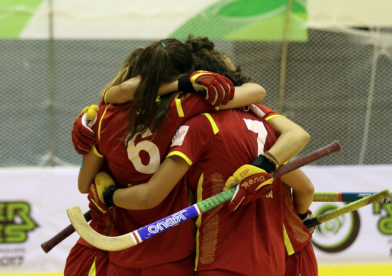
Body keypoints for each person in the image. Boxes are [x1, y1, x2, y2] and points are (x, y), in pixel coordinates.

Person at [80, 36, 313, 276]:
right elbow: (305, 186)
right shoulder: (210, 114)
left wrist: (109, 196)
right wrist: (267, 166)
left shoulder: (102, 118)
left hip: (130, 248)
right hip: (275, 255)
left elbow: (89, 185)